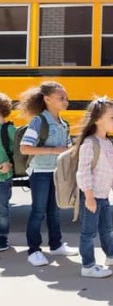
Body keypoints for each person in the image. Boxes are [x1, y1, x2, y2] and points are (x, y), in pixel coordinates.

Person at [18, 81, 79, 266]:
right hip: (41, 173)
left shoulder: (64, 123)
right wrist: (54, 150)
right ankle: (34, 250)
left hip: (57, 173)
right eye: (61, 98)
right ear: (47, 99)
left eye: (66, 98)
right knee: (38, 211)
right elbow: (25, 148)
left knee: (54, 211)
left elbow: (66, 148)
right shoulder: (39, 121)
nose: (65, 101)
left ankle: (56, 245)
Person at [75, 96, 113, 278]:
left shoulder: (109, 143)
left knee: (107, 230)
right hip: (91, 197)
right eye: (112, 118)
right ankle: (88, 265)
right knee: (88, 233)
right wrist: (90, 196)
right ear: (97, 119)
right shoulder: (89, 143)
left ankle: (111, 256)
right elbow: (83, 172)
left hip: (104, 196)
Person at [0, 92, 15, 252]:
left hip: (3, 178)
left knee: (2, 210)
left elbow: (19, 152)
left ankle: (2, 238)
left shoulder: (9, 129)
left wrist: (10, 164)